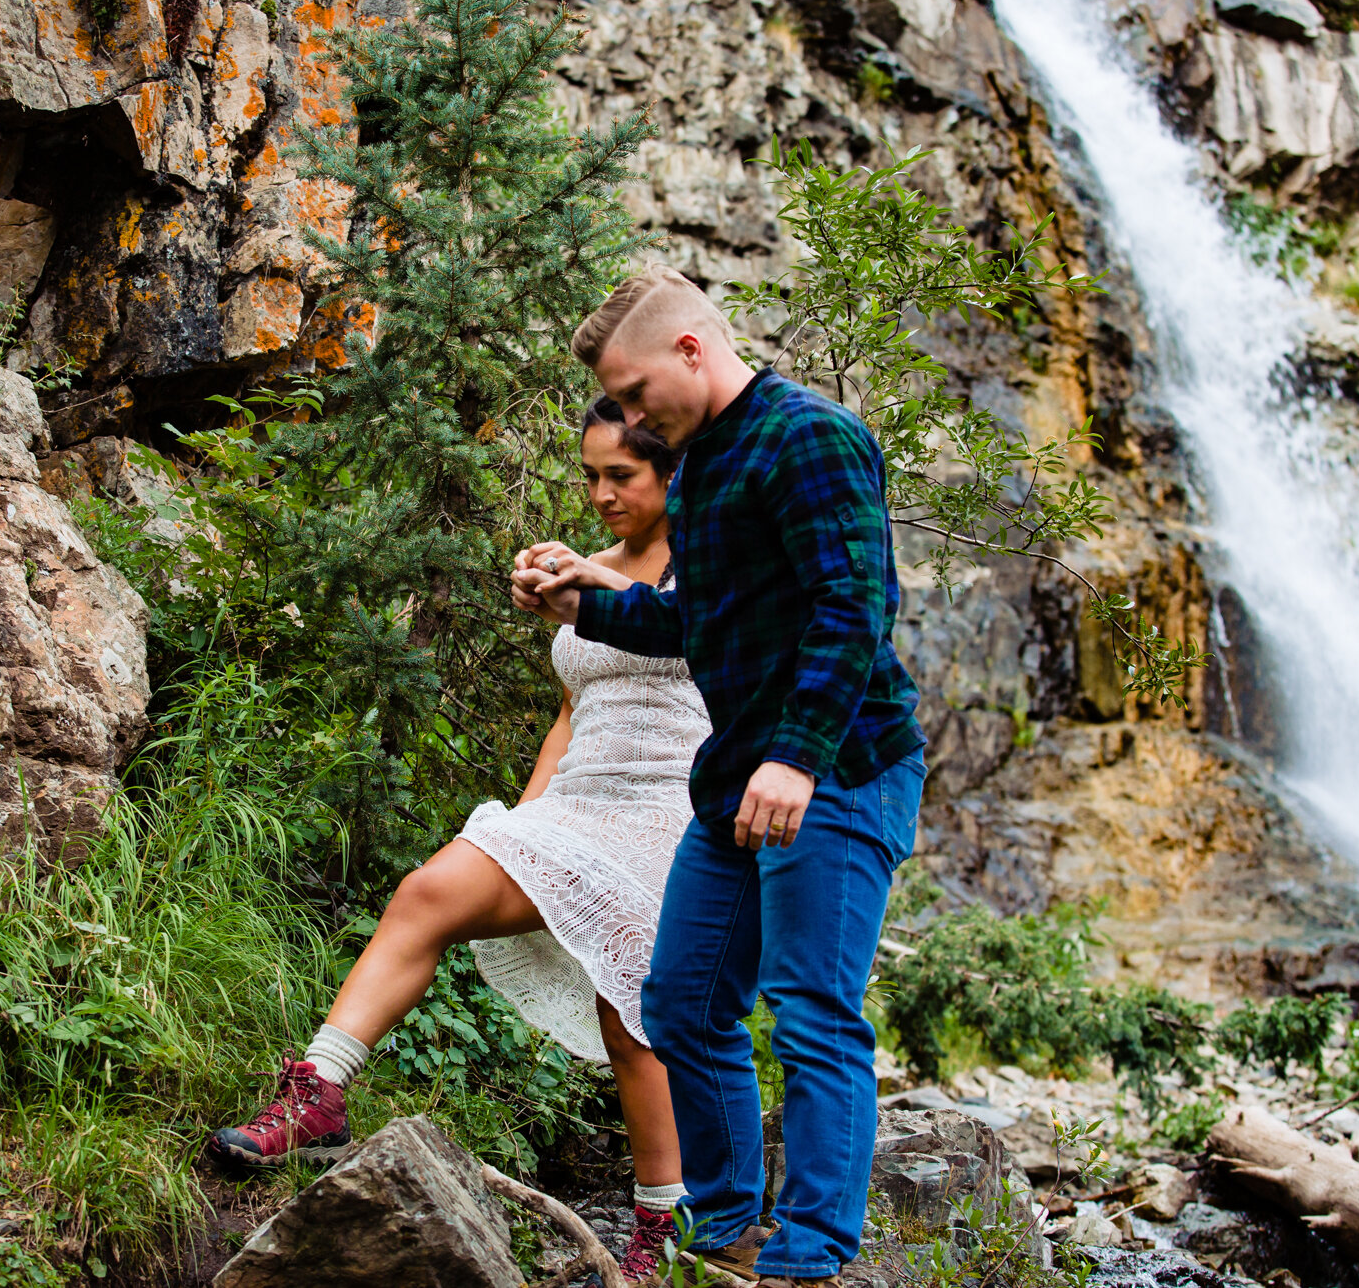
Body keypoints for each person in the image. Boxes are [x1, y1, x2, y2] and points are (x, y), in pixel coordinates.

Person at [209, 398, 713, 1284]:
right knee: (426, 892)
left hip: (671, 810)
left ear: (673, 471)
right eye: (589, 474)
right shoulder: (593, 568)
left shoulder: (719, 559)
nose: (599, 494)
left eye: (620, 475)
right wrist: (526, 825)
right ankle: (316, 1096)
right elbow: (571, 715)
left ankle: (660, 1228)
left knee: (629, 1015)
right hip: (580, 797)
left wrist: (587, 589)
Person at [512, 265, 927, 1288]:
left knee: (811, 1006)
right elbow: (694, 622)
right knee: (683, 1004)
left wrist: (795, 758)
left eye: (636, 391)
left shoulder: (810, 436)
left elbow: (851, 608)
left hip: (837, 770)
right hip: (737, 775)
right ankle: (727, 1232)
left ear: (690, 350)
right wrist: (581, 604)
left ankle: (810, 1257)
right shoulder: (698, 465)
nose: (631, 415)